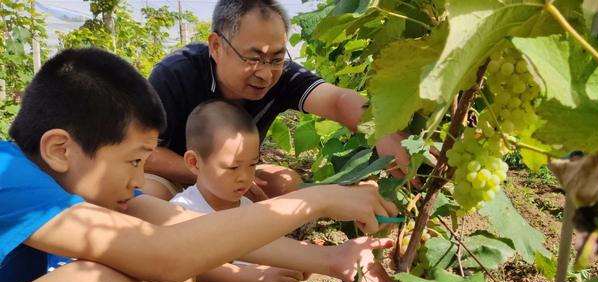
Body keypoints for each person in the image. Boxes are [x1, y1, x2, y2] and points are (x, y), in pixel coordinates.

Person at [0, 48, 413, 282]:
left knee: (174, 278)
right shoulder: (7, 175)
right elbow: (164, 255)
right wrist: (317, 199)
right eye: (133, 161)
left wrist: (329, 259)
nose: (140, 178)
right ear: (59, 149)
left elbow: (185, 229)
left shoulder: (75, 186)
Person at [142, 0, 411, 201]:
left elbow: (337, 100)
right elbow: (145, 153)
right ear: (216, 46)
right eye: (253, 57)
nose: (265, 73)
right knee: (151, 196)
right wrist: (213, 177)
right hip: (176, 175)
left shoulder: (282, 76)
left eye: (276, 58)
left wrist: (381, 129)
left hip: (233, 172)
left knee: (286, 185)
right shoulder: (175, 74)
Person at [144, 100, 307, 282]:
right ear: (194, 163)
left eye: (252, 165)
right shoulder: (182, 210)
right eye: (232, 167)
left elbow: (266, 247)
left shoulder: (248, 208)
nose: (244, 177)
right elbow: (202, 269)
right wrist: (260, 277)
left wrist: (298, 259)